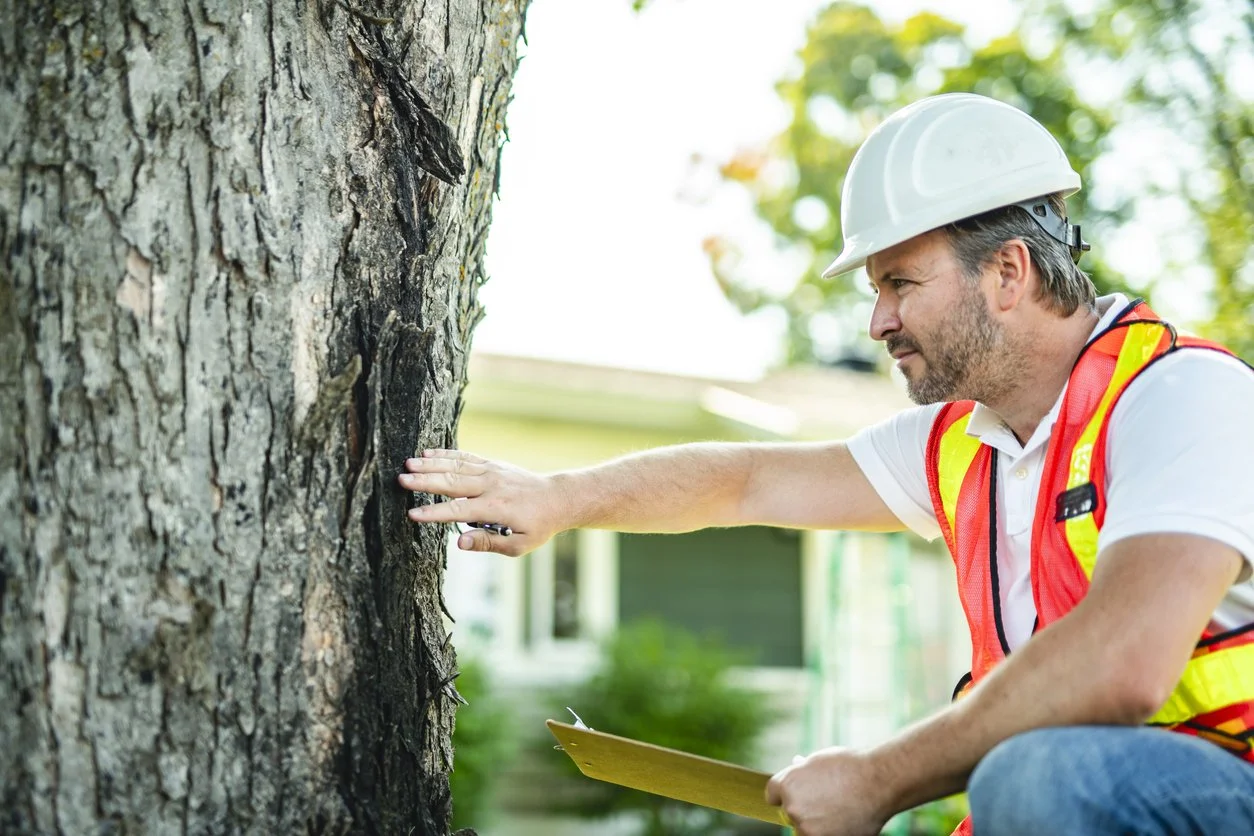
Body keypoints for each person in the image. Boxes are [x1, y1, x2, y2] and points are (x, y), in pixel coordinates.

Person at [398, 94, 1254, 835]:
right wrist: (563, 497)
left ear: (1008, 270)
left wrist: (878, 779)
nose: (877, 321)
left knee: (1034, 782)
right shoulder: (964, 444)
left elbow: (1122, 664)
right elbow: (746, 479)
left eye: (901, 284)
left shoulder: (1180, 398)